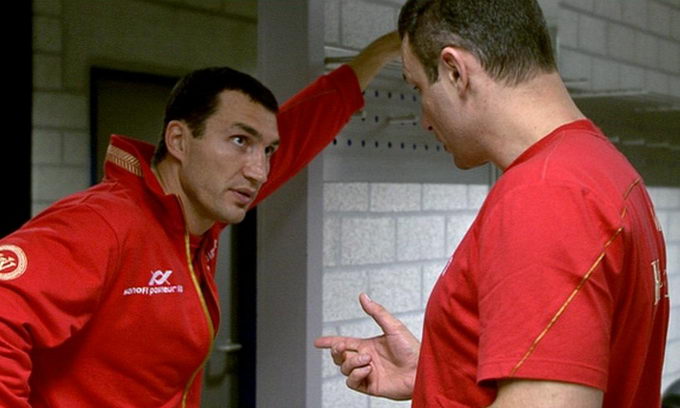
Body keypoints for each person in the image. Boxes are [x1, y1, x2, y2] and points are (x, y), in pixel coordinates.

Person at [0, 32, 400, 407]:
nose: (259, 172)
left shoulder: (197, 216)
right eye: (240, 141)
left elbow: (299, 133)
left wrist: (382, 51)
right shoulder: (103, 223)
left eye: (267, 150)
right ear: (179, 140)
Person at [315, 1, 670, 407]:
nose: (424, 119)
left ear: (455, 71)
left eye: (418, 89)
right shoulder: (602, 168)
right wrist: (439, 374)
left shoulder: (546, 194)